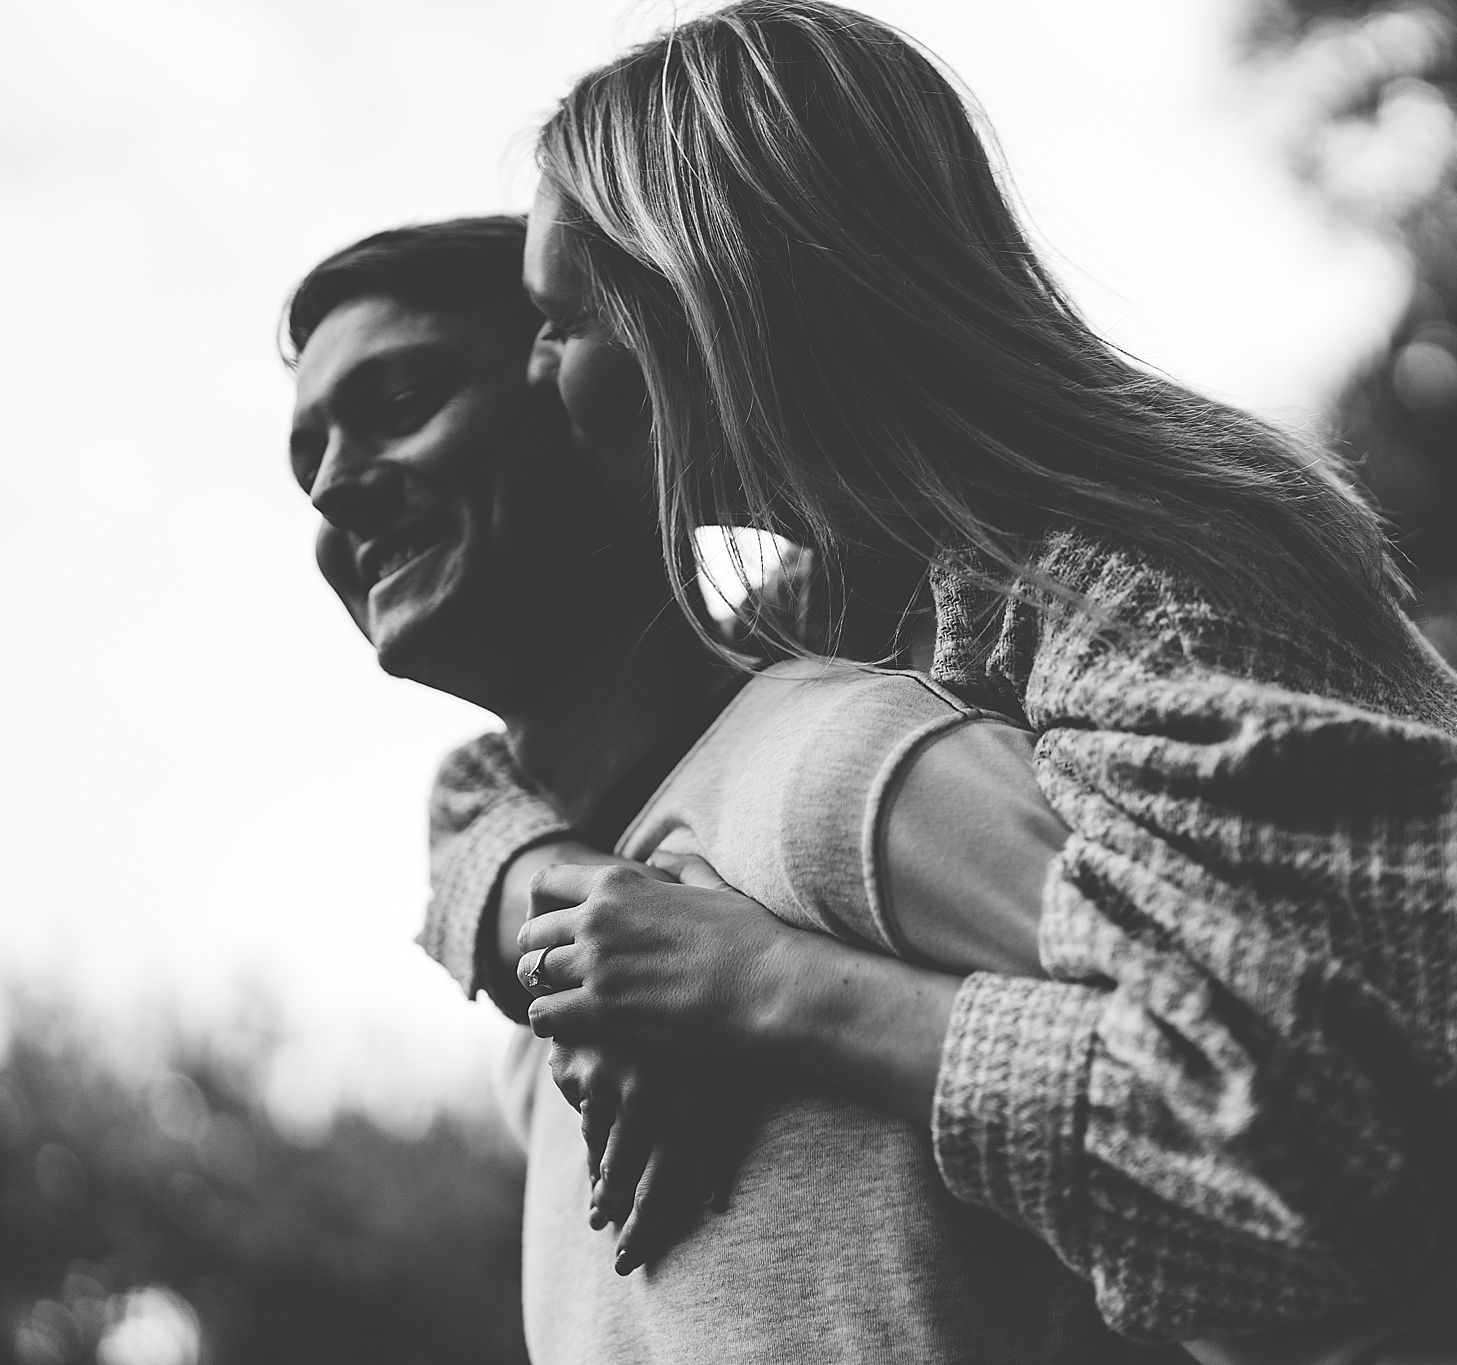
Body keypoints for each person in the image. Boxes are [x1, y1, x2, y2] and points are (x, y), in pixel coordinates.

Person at [431, 4, 1457, 1363]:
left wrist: (763, 983)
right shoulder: (839, 602)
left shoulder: (1146, 589)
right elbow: (487, 788)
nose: (532, 382)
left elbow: (1285, 1156)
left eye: (556, 324)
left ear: (700, 307)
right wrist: (579, 907)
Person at [284, 217, 1190, 1362]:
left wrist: (777, 990)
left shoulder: (856, 772)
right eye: (304, 457)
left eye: (400, 400)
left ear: (589, 396)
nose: (330, 489)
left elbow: (1280, 1118)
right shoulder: (543, 1038)